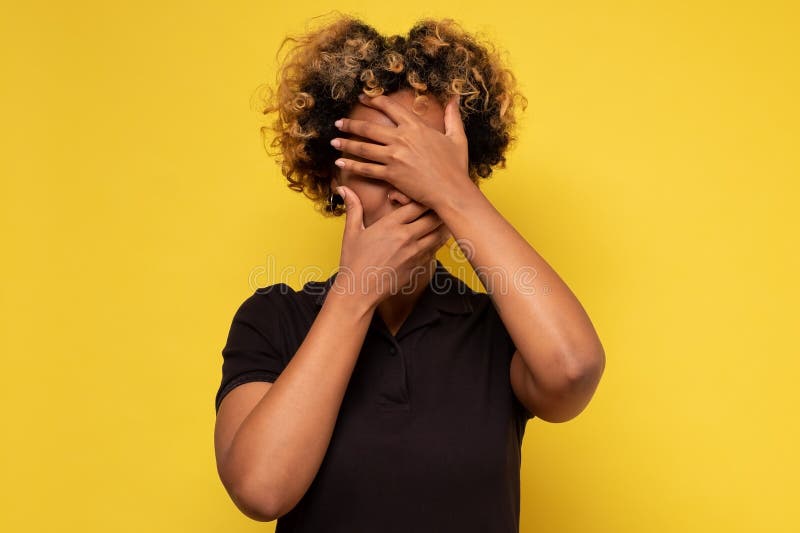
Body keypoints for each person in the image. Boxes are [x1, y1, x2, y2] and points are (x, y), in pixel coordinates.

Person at [213, 13, 605, 533]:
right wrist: (354, 295)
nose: (403, 191)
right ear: (334, 173)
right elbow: (262, 490)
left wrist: (454, 193)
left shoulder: (499, 329)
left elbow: (573, 371)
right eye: (380, 160)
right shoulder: (275, 318)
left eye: (425, 166)